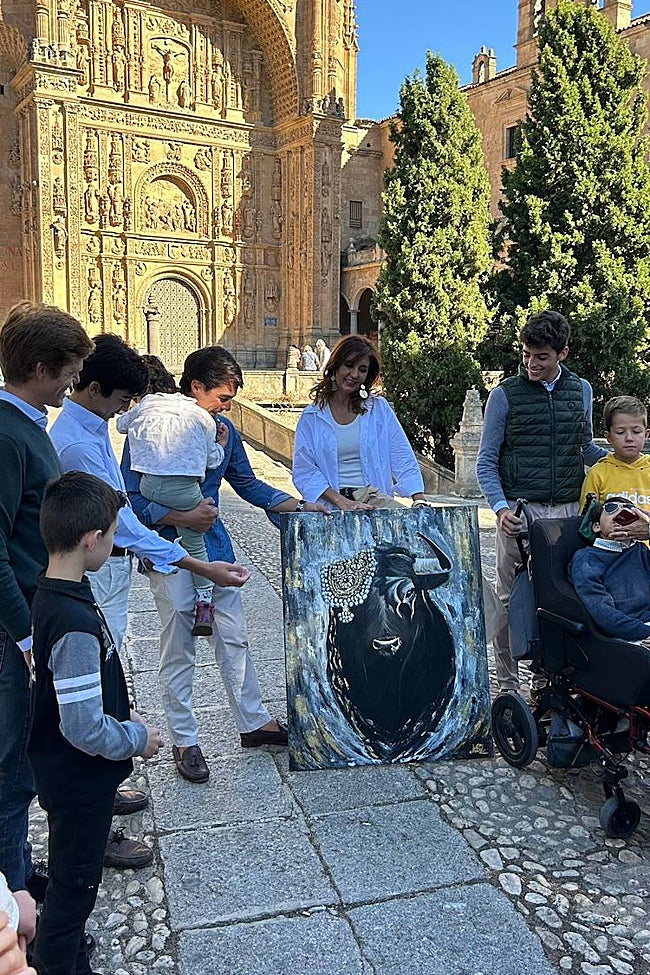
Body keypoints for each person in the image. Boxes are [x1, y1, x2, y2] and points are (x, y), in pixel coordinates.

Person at [50, 337, 251, 815]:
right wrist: (193, 559)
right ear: (95, 389)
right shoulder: (77, 443)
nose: (126, 408)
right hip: (96, 567)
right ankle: (95, 798)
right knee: (98, 678)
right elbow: (125, 516)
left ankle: (102, 788)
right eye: (123, 399)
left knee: (107, 670)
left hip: (109, 564)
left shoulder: (94, 428)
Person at [123, 346, 328, 784]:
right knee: (179, 647)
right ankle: (184, 739)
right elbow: (130, 500)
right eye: (222, 398)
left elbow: (248, 483)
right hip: (170, 554)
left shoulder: (225, 431)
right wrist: (180, 517)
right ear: (196, 387)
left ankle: (253, 722)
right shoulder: (152, 428)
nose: (227, 407)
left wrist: (299, 507)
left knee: (234, 638)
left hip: (216, 550)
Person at [28, 472, 163, 975]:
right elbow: (82, 728)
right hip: (79, 780)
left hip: (68, 775)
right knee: (74, 887)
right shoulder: (74, 623)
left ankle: (62, 952)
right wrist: (135, 737)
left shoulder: (56, 592)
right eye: (111, 535)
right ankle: (58, 962)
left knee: (71, 881)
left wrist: (121, 712)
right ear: (91, 539)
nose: (113, 543)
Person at [0, 301, 94, 912]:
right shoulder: (7, 435)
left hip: (36, 614)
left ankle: (16, 875)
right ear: (39, 368)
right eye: (68, 372)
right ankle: (13, 899)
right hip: (19, 626)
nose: (71, 384)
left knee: (25, 755)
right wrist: (26, 635)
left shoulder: (25, 424)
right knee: (13, 764)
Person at [476, 310, 607, 694]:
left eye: (541, 357)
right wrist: (501, 509)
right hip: (519, 512)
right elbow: (486, 462)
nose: (531, 363)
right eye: (526, 354)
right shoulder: (503, 396)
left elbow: (586, 448)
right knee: (508, 604)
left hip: (567, 514)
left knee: (559, 603)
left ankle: (545, 689)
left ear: (562, 353)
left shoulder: (581, 390)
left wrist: (628, 463)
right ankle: (508, 690)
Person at [117, 357, 228, 637]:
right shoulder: (200, 416)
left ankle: (159, 557)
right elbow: (212, 460)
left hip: (150, 488)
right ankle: (205, 600)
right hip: (185, 492)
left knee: (176, 637)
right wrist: (221, 445)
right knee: (195, 541)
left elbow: (121, 426)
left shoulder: (143, 411)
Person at [292, 335, 427, 511]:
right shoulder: (312, 417)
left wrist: (419, 499)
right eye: (349, 365)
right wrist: (341, 501)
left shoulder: (378, 409)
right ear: (336, 366)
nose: (354, 375)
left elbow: (401, 454)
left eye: (362, 370)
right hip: (329, 508)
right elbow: (304, 470)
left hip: (373, 503)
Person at [568, 496, 650, 645]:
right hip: (626, 635)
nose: (621, 512)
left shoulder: (641, 550)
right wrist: (643, 631)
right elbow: (601, 611)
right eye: (612, 508)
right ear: (597, 526)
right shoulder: (586, 559)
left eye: (628, 509)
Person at [579, 395, 650, 542]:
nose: (629, 438)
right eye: (620, 432)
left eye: (636, 431)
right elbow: (585, 521)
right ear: (608, 437)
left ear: (646, 434)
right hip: (610, 551)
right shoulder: (598, 473)